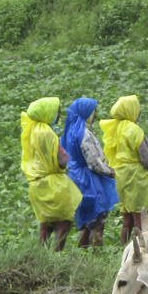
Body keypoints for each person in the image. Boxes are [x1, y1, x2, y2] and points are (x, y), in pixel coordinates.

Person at [100, 95, 148, 244]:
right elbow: (146, 158)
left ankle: (123, 247)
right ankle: (140, 249)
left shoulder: (114, 128)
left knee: (126, 218)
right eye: (137, 110)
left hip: (121, 175)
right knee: (139, 217)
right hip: (136, 176)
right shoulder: (134, 130)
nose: (139, 113)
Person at [20, 97, 82, 251]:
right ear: (47, 113)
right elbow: (61, 160)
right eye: (57, 112)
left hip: (36, 183)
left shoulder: (32, 130)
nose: (59, 116)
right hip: (52, 184)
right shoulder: (47, 133)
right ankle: (56, 258)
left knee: (46, 225)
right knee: (64, 224)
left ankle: (41, 258)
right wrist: (66, 156)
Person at [60, 97, 118, 248]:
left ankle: (83, 258)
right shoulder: (83, 134)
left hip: (75, 177)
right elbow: (93, 162)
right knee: (97, 222)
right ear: (86, 113)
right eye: (93, 112)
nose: (95, 115)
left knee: (85, 223)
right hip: (89, 180)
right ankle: (95, 257)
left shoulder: (70, 132)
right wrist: (109, 172)